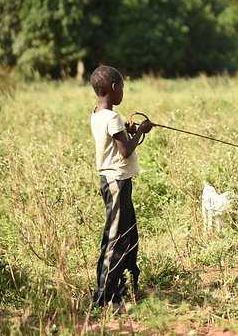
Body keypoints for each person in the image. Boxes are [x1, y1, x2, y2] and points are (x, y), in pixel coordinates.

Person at [89, 65, 153, 308]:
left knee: (129, 235)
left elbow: (116, 139)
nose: (123, 91)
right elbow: (124, 151)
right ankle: (105, 296)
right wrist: (141, 132)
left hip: (117, 182)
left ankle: (123, 286)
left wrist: (130, 131)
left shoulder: (97, 114)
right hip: (116, 181)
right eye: (122, 87)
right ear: (114, 88)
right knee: (115, 238)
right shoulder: (113, 117)